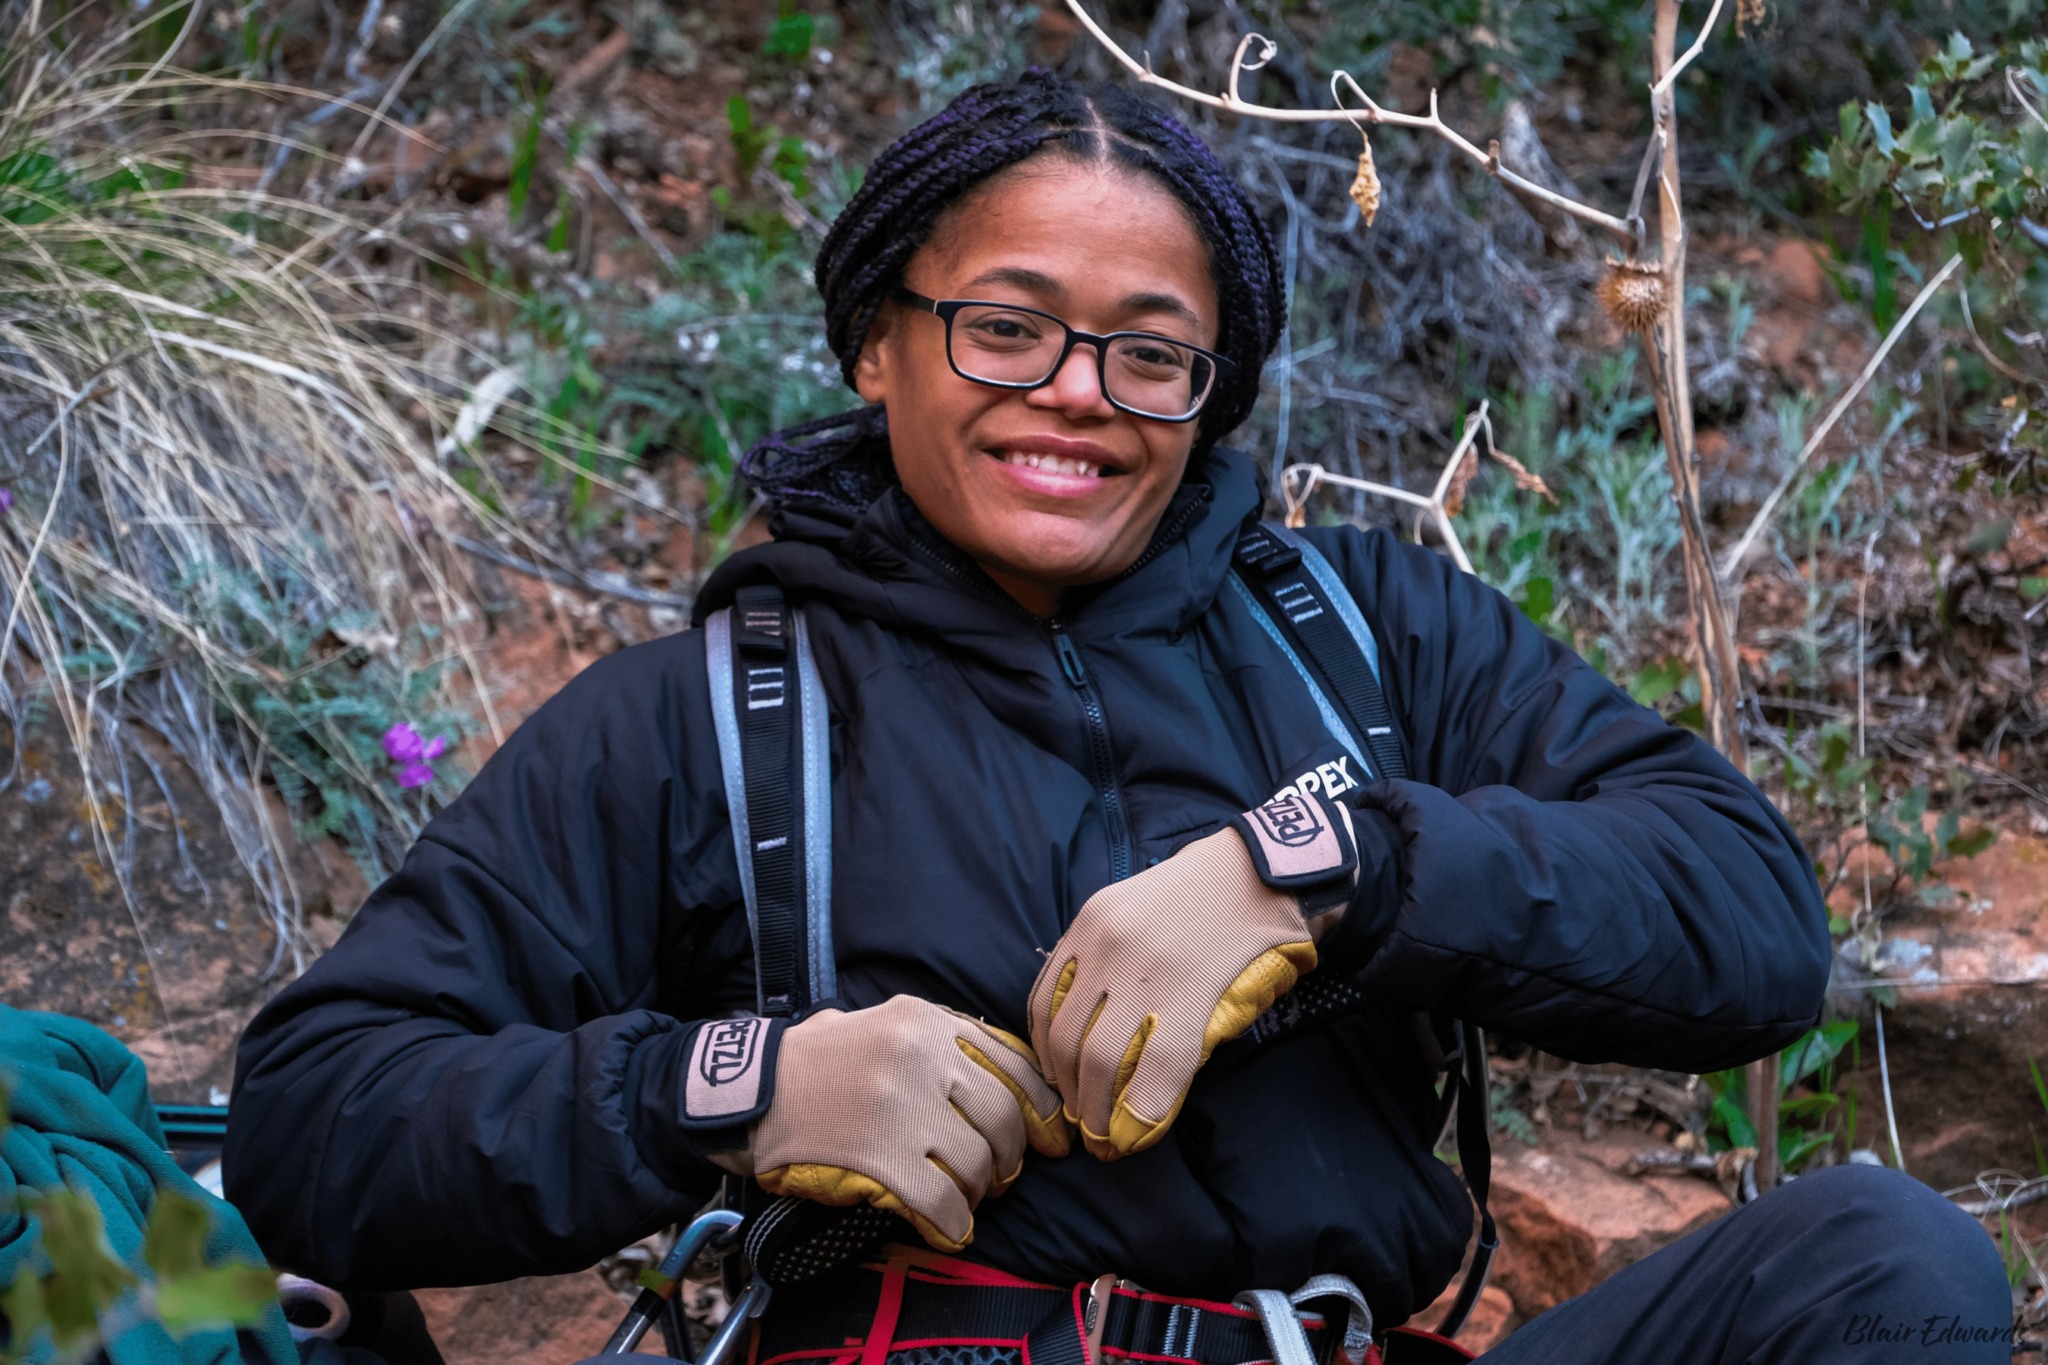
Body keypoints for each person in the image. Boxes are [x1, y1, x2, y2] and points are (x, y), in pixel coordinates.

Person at [223, 68, 2012, 1364]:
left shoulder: (1361, 629)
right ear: (877, 344)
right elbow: (314, 1119)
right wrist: (735, 1082)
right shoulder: (709, 719)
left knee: (1882, 1262)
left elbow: (1748, 915)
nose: (1077, 394)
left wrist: (1326, 868)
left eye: (1151, 352)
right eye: (1006, 327)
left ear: (1209, 393)